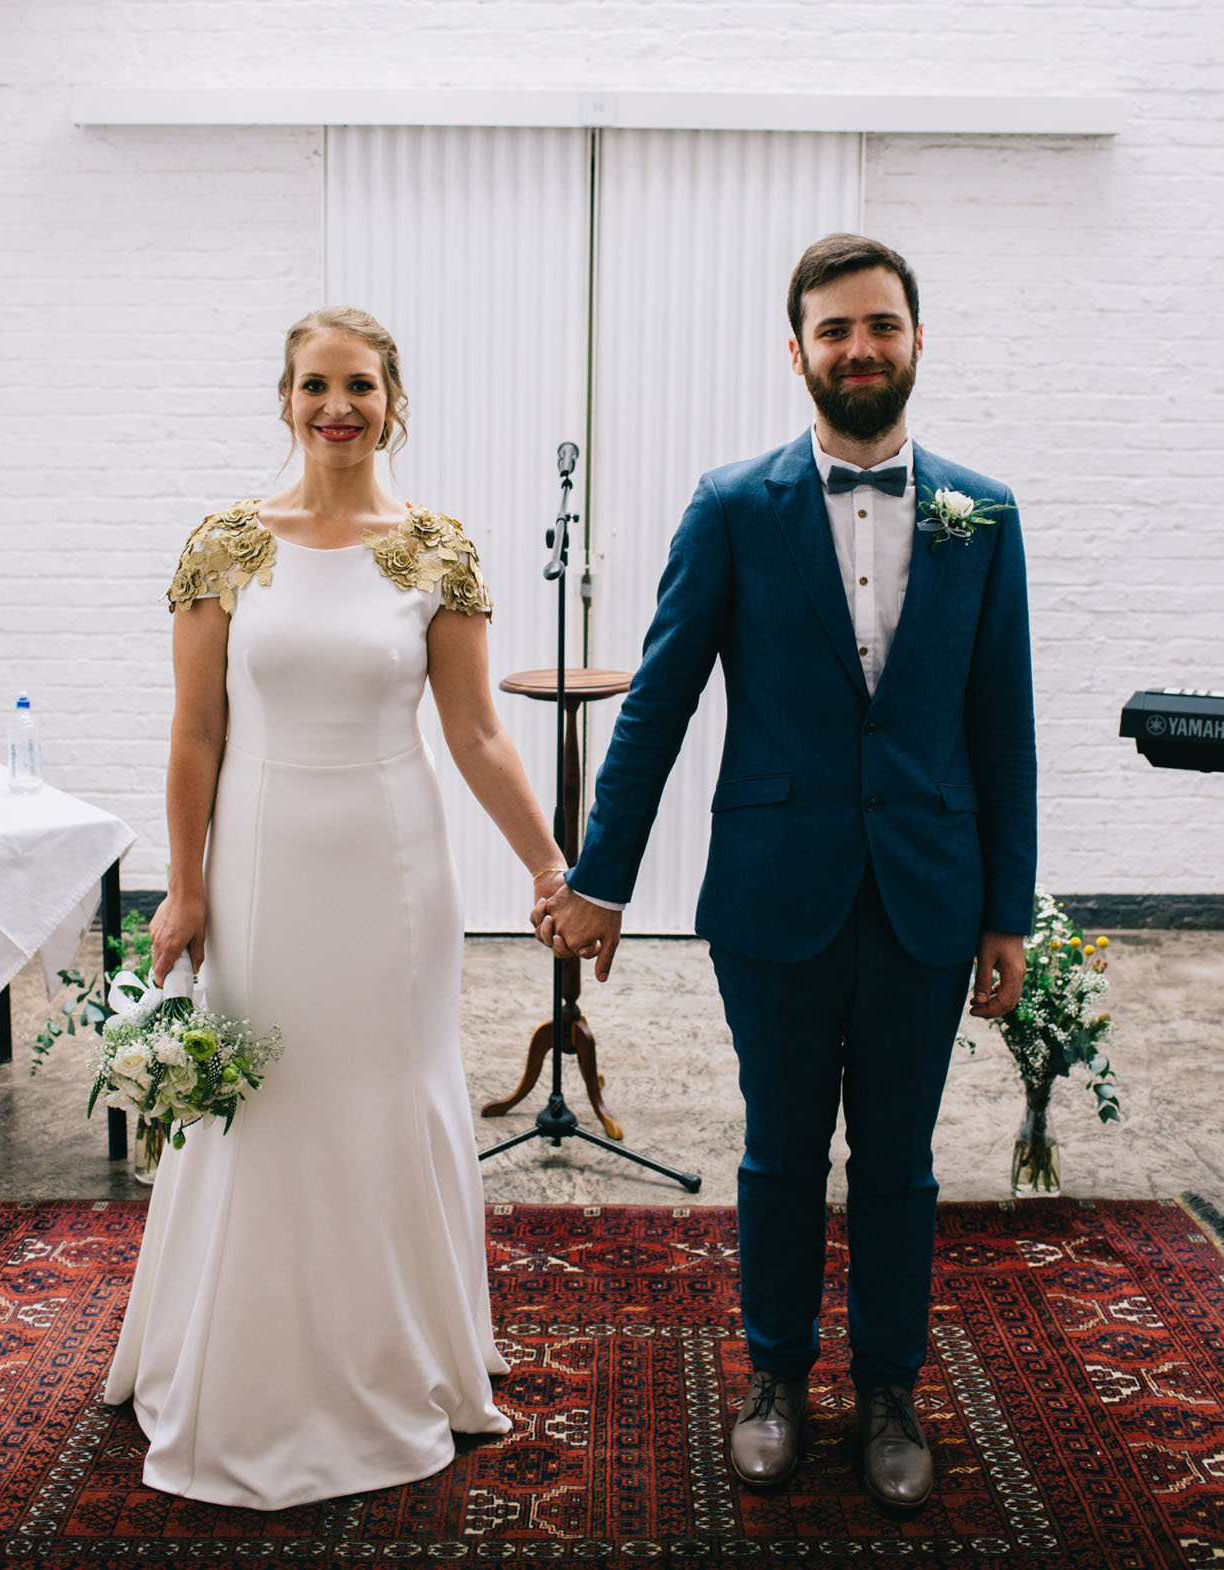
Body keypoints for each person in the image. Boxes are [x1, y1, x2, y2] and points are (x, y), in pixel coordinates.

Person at [534, 235, 1036, 1510]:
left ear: (915, 340)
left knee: (900, 1160)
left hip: (926, 889)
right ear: (797, 351)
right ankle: (774, 1377)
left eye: (879, 325)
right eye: (834, 330)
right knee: (778, 1150)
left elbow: (1002, 723)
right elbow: (657, 703)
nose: (859, 348)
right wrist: (600, 876)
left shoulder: (984, 513)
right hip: (773, 889)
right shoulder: (731, 508)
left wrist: (1005, 908)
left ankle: (889, 1388)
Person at [104, 306, 567, 1510]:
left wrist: (548, 864)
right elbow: (196, 732)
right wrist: (185, 885)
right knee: (264, 1100)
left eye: (359, 385)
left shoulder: (434, 552)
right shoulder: (223, 547)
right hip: (261, 866)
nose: (337, 407)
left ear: (391, 401)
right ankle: (242, 1361)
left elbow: (475, 733)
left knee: (381, 1096)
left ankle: (397, 1352)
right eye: (315, 385)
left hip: (391, 869)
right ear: (286, 399)